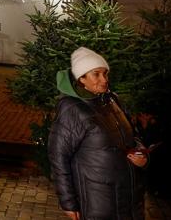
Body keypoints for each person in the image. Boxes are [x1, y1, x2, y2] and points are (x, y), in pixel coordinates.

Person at [48, 47, 148, 220]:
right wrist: (68, 202)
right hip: (99, 203)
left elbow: (134, 134)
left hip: (129, 198)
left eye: (105, 74)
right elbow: (58, 157)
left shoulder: (112, 100)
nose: (104, 80)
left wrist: (141, 153)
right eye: (96, 74)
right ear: (82, 78)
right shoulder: (73, 109)